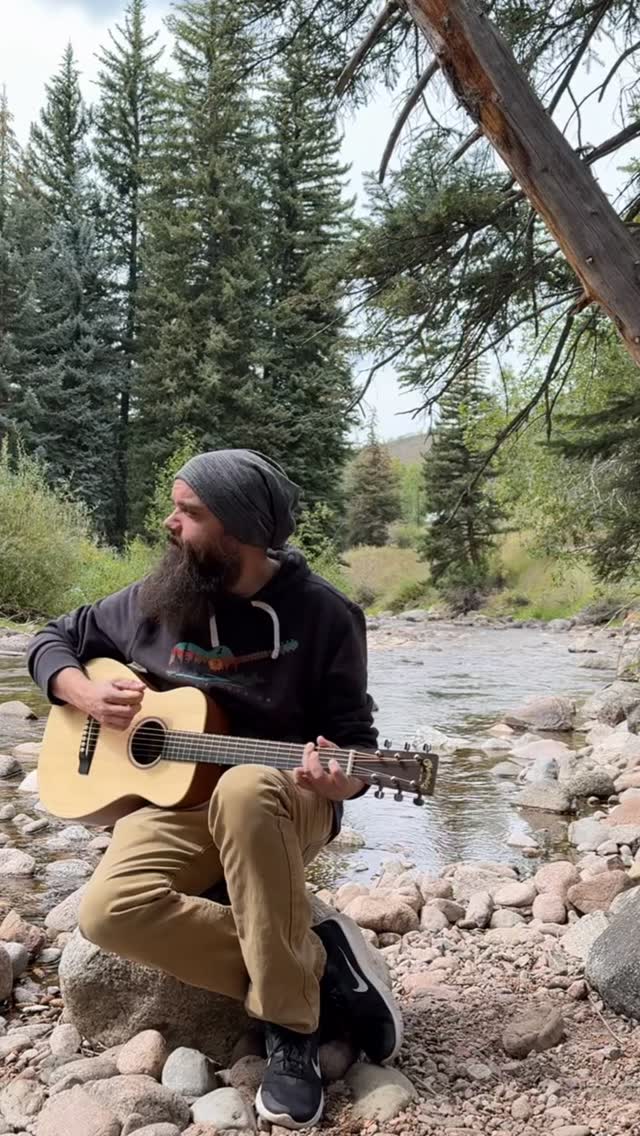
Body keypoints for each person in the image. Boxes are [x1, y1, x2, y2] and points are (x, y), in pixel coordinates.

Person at [27, 449, 401, 1131]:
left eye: (189, 512)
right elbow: (53, 639)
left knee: (246, 789)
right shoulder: (158, 597)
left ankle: (291, 1030)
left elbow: (355, 747)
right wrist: (84, 692)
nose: (171, 523)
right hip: (173, 802)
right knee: (107, 914)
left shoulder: (324, 616)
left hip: (283, 801)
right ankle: (316, 968)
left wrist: (343, 774)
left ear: (239, 529)